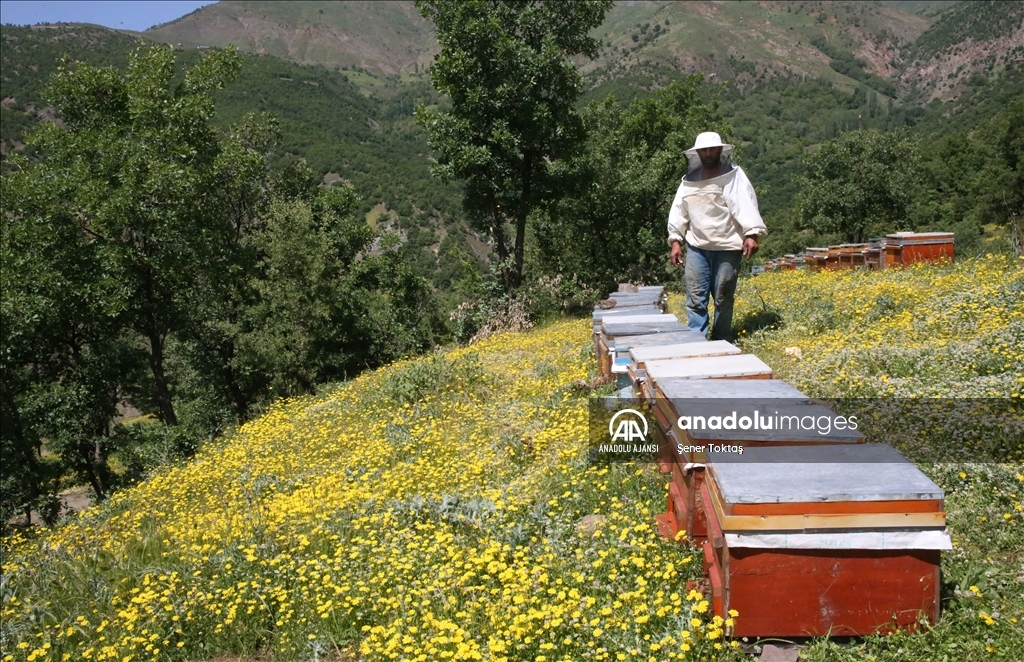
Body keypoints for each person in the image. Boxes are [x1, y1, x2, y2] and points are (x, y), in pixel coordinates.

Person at [667, 131, 766, 341]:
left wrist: (751, 233)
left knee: (723, 297)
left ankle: (722, 341)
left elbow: (745, 204)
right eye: (704, 150)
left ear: (720, 151)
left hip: (728, 246)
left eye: (712, 149)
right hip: (697, 246)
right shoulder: (689, 182)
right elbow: (679, 211)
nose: (708, 153)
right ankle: (696, 342)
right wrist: (676, 240)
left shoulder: (733, 176)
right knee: (695, 299)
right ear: (698, 153)